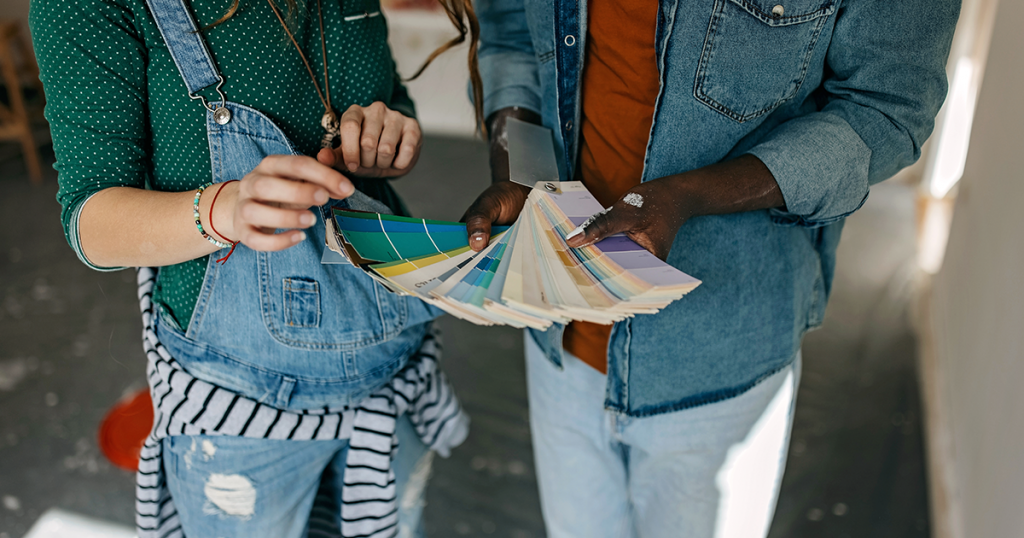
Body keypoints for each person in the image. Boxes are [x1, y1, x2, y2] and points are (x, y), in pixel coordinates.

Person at [463, 0, 959, 536]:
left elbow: (886, 108)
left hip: (719, 362)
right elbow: (511, 30)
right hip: (557, 335)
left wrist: (688, 196)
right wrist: (524, 171)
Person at [29, 0, 481, 536]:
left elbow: (393, 100)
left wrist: (390, 135)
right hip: (241, 408)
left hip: (390, 368)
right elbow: (92, 221)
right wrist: (224, 209)